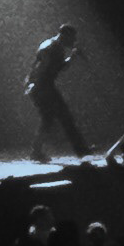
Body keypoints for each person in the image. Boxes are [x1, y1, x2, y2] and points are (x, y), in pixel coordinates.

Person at [24, 22, 91, 160]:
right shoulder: (51, 47)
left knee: (49, 119)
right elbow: (40, 68)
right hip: (42, 86)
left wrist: (72, 56)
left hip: (44, 86)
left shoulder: (56, 47)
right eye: (72, 38)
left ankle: (37, 151)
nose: (73, 41)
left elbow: (60, 68)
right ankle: (81, 150)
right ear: (64, 35)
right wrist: (33, 84)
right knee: (62, 116)